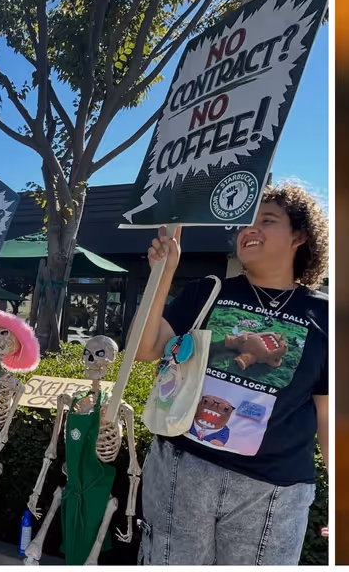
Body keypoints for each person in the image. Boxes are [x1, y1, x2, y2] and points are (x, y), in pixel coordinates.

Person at [134, 183, 329, 565]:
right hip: (182, 470)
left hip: (273, 491)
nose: (250, 230)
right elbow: (145, 350)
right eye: (244, 223)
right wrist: (162, 274)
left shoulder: (326, 316)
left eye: (267, 220)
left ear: (300, 236)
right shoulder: (209, 291)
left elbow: (327, 411)